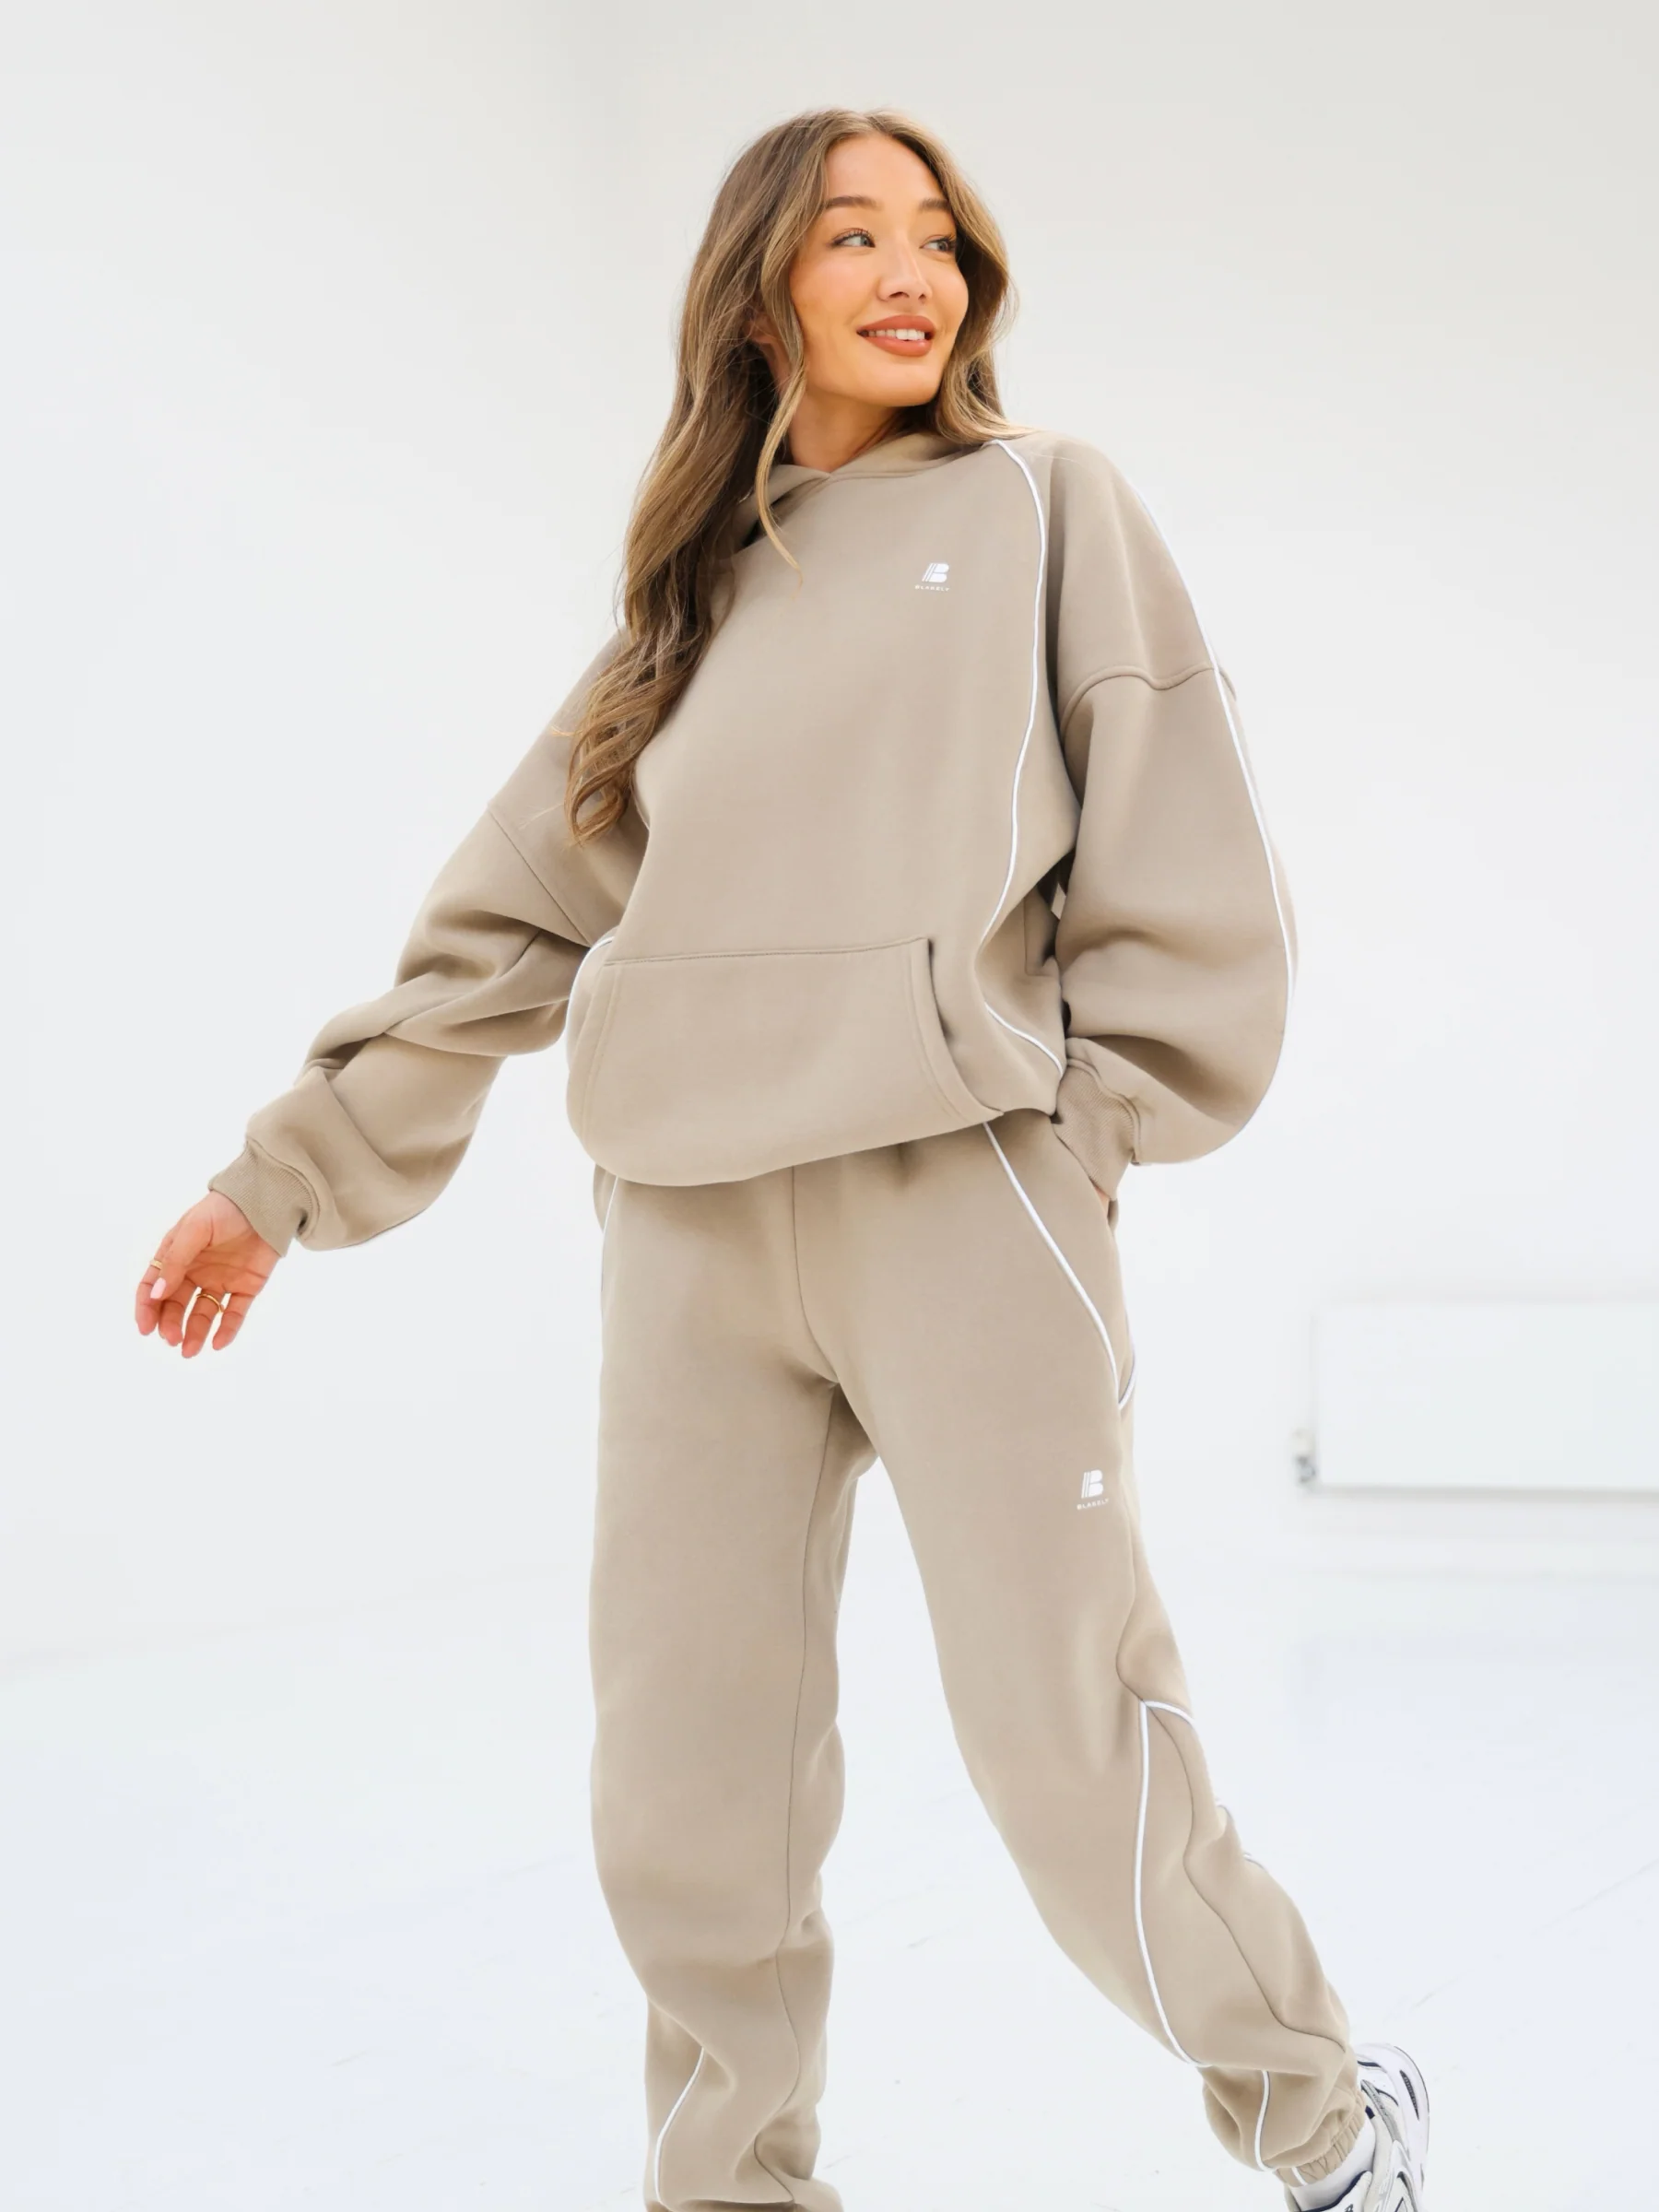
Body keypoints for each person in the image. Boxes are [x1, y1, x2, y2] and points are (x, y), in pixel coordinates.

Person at [134, 106, 1429, 2212]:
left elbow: (1184, 840)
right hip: (689, 1229)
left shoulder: (1046, 506)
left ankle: (1326, 2119)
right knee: (687, 1788)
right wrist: (282, 1179)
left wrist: (1085, 1126)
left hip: (963, 1198)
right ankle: (733, 2191)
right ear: (763, 297)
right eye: (855, 238)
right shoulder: (684, 610)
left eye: (940, 238)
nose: (913, 274)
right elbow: (504, 926)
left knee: (1065, 1748)